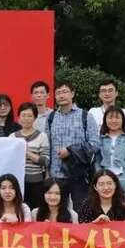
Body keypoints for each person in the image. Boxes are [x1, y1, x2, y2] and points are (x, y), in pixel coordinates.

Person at [47, 80, 100, 210]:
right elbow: (47, 146)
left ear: (72, 93)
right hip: (56, 174)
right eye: (58, 93)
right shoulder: (51, 118)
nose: (61, 95)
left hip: (79, 174)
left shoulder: (85, 116)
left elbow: (95, 144)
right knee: (58, 212)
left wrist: (70, 150)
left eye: (65, 91)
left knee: (81, 211)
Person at [32, 178, 77, 248]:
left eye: (57, 193)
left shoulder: (72, 215)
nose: (52, 197)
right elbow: (30, 238)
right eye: (49, 193)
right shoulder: (35, 213)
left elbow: (76, 240)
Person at [97, 107, 125, 211]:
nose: (114, 121)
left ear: (123, 120)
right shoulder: (100, 139)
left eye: (117, 118)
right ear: (105, 120)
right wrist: (101, 178)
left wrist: (122, 183)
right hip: (104, 180)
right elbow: (96, 161)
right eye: (110, 117)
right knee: (105, 210)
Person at [10, 102, 49, 211]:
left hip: (36, 183)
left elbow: (45, 161)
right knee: (19, 212)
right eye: (23, 115)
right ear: (18, 117)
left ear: (35, 118)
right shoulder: (12, 137)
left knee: (35, 212)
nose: (26, 119)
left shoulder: (42, 136)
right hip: (17, 183)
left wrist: (26, 152)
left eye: (29, 116)